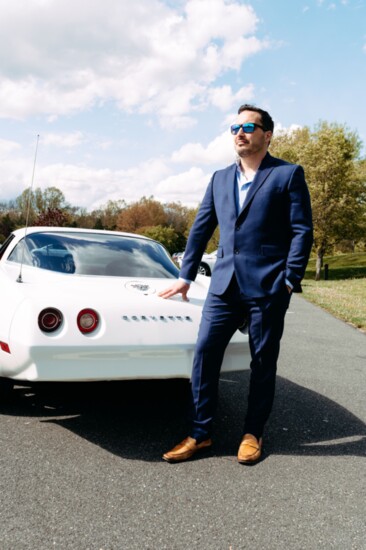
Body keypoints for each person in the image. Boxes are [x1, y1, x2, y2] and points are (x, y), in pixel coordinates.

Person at [158, 104, 313, 464]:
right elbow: (201, 228)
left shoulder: (287, 175)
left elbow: (302, 231)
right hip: (223, 285)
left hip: (269, 286)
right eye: (234, 127)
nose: (239, 132)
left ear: (267, 135)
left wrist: (290, 279)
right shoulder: (219, 178)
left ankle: (252, 433)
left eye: (248, 126)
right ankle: (200, 433)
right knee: (205, 355)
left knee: (262, 361)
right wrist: (185, 276)